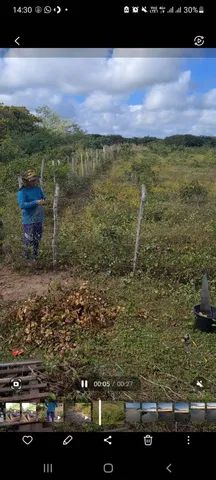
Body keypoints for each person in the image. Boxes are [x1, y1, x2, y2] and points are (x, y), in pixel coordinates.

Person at [17, 169, 46, 261]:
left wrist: (44, 201)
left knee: (37, 239)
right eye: (32, 180)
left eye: (35, 180)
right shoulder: (22, 192)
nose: (34, 181)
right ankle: (26, 259)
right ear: (26, 181)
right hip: (28, 219)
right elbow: (22, 205)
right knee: (28, 239)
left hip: (39, 217)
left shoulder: (38, 189)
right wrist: (36, 202)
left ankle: (35, 258)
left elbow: (43, 198)